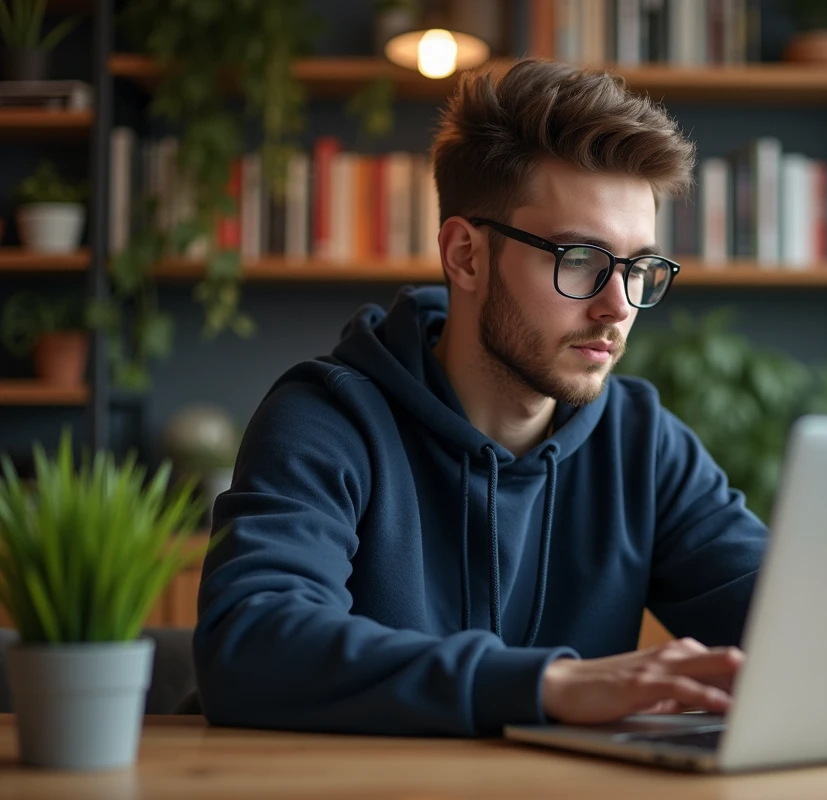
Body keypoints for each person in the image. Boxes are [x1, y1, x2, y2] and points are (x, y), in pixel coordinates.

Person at [193, 58, 768, 737]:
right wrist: (547, 684)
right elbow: (250, 646)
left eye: (640, 266)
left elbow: (793, 631)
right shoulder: (328, 419)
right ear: (465, 255)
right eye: (580, 259)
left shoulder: (644, 445)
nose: (619, 306)